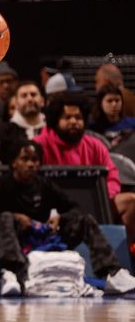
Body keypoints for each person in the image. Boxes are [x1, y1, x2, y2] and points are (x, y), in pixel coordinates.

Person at [0, 140, 135, 296]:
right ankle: (10, 274)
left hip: (42, 239)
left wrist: (60, 218)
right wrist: (16, 217)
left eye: (35, 160)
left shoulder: (44, 184)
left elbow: (75, 208)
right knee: (6, 217)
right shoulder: (0, 184)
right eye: (25, 159)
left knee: (85, 219)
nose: (30, 164)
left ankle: (112, 273)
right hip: (14, 243)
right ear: (14, 162)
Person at [35, 94, 135, 245]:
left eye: (78, 117)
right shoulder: (38, 145)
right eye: (67, 117)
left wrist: (104, 197)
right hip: (52, 210)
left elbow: (112, 175)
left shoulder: (95, 145)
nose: (74, 122)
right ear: (55, 120)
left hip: (94, 205)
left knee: (131, 201)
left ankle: (119, 254)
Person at [0, 80, 46, 164]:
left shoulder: (52, 129)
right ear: (16, 103)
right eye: (24, 96)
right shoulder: (2, 132)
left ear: (42, 101)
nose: (29, 99)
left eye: (33, 94)